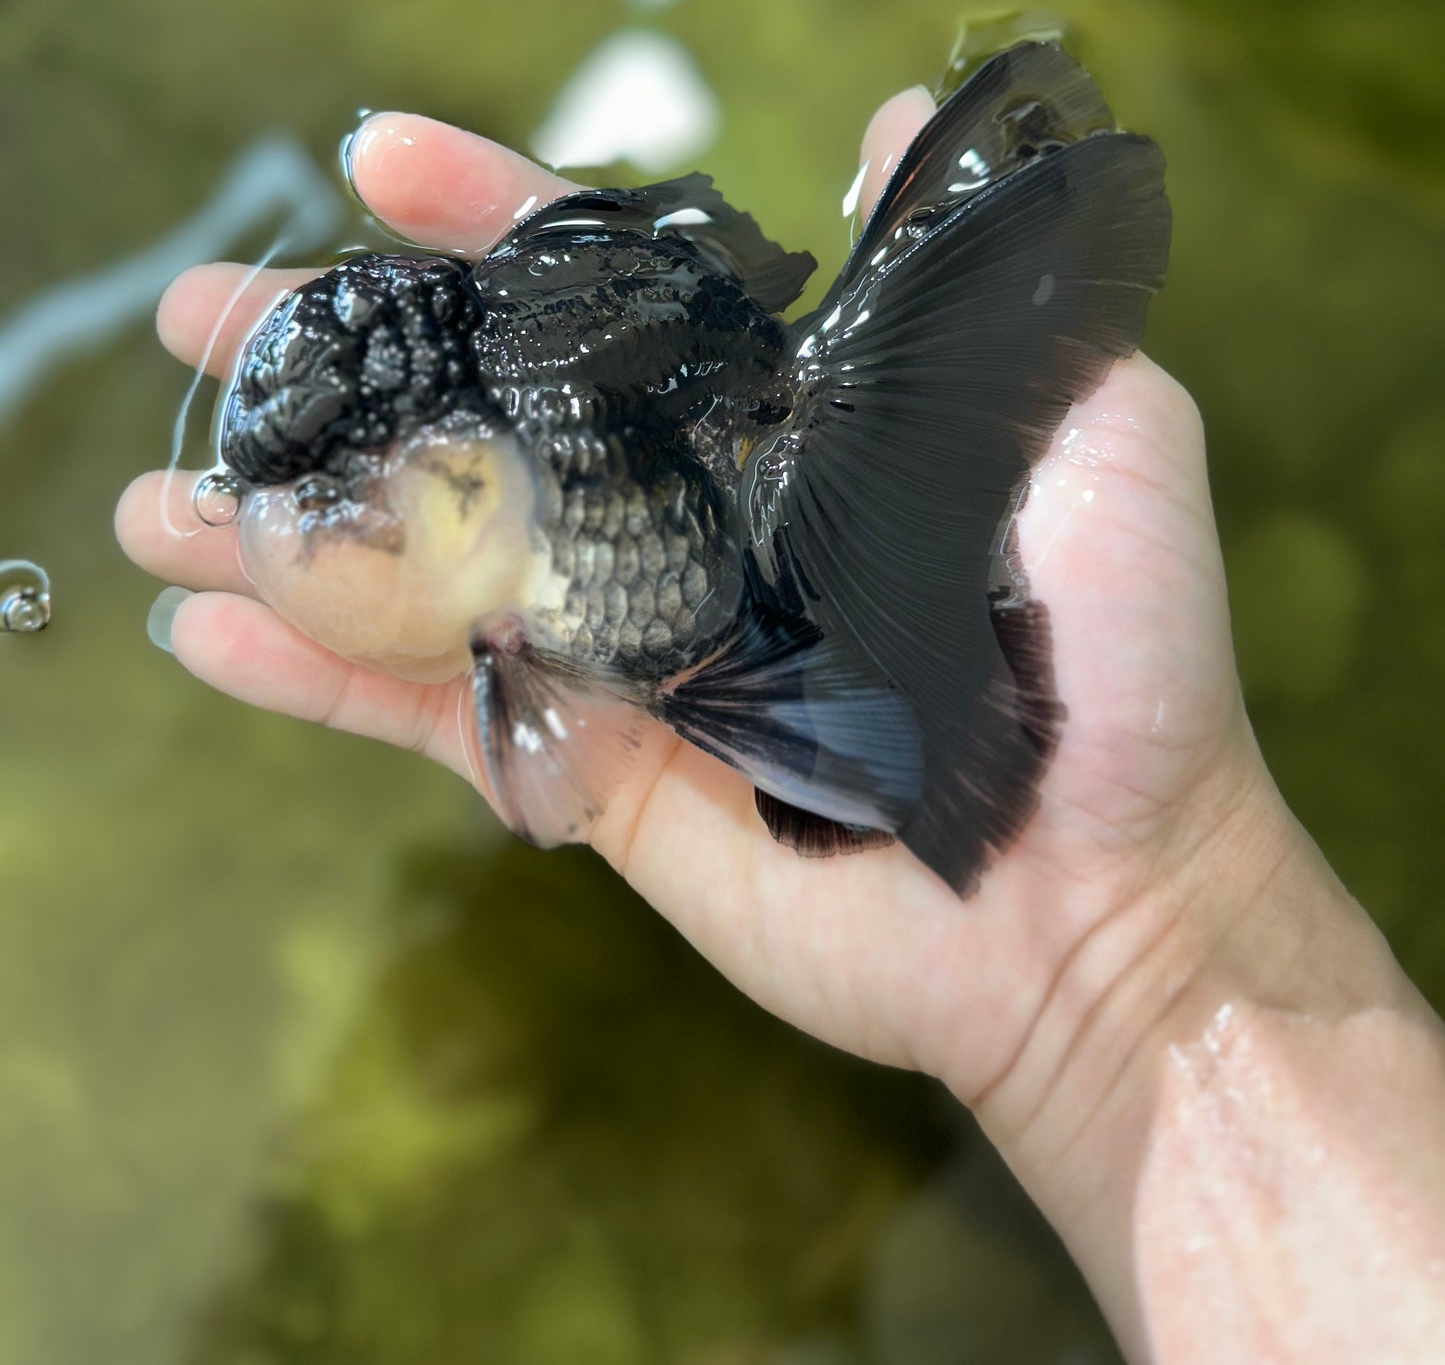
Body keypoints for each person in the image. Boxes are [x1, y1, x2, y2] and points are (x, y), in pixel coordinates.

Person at [116, 95, 1445, 1362]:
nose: (311, 507)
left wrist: (1126, 950)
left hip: (688, 595)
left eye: (349, 486)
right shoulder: (450, 498)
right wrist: (1125, 973)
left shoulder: (512, 512)